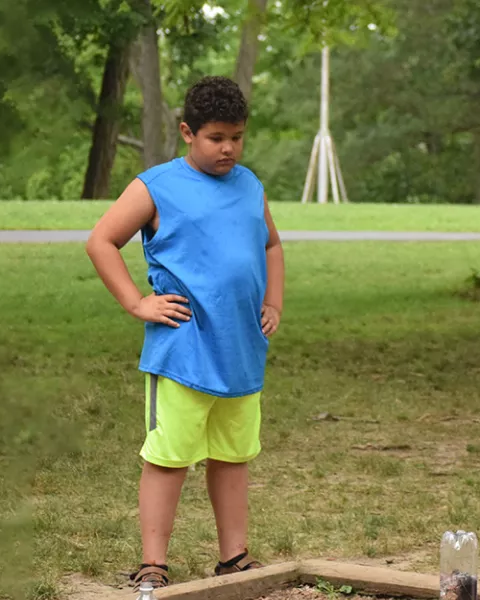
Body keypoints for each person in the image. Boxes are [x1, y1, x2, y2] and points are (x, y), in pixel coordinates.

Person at [85, 75, 284, 589]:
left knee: (234, 455)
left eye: (237, 137)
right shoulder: (157, 185)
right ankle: (154, 562)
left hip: (241, 351)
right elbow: (102, 240)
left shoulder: (250, 185)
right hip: (184, 351)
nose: (229, 149)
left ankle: (234, 556)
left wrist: (273, 300)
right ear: (187, 133)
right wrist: (136, 302)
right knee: (169, 458)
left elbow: (271, 246)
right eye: (217, 138)